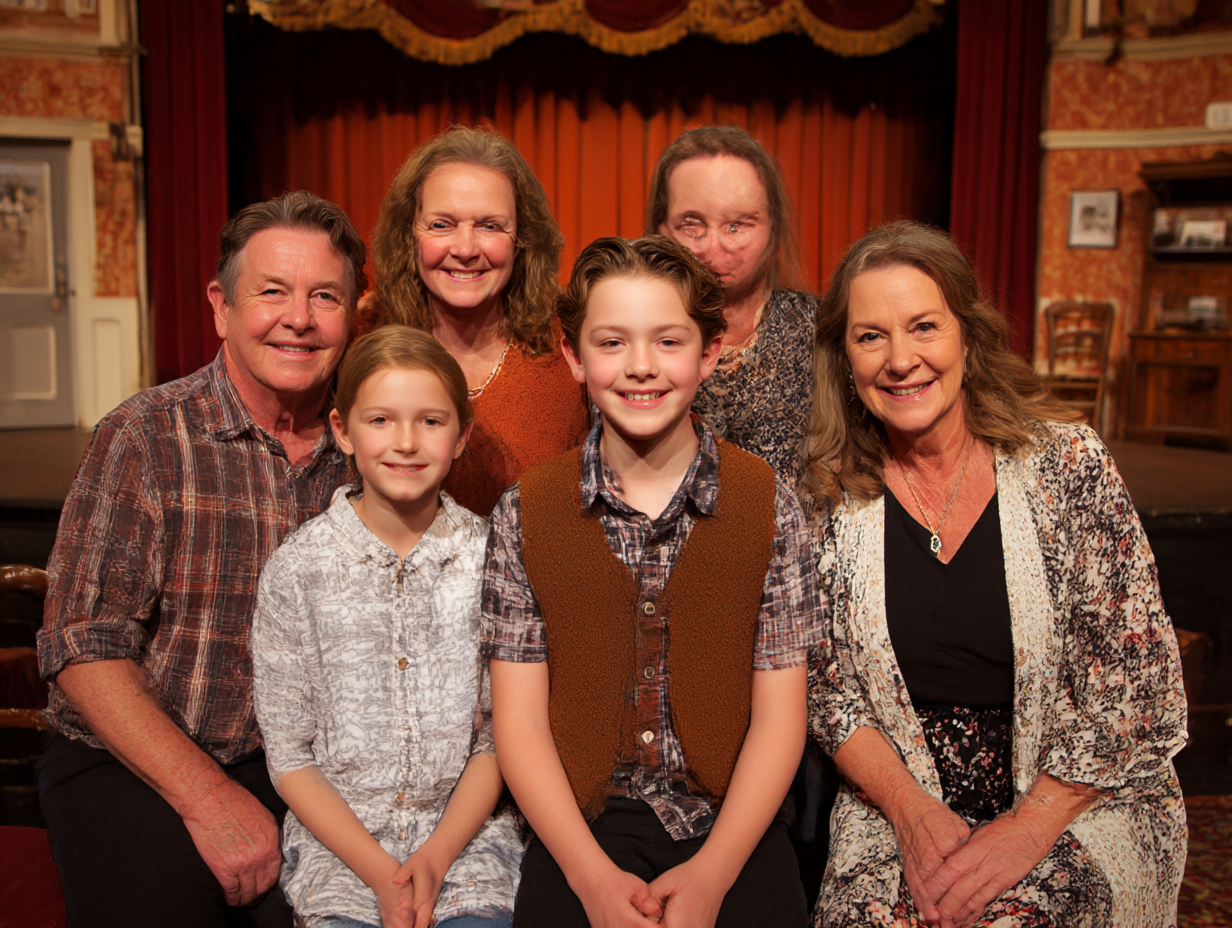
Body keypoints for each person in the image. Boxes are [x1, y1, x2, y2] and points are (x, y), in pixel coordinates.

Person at [802, 220, 1187, 927]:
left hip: (1079, 790)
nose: (900, 359)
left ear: (967, 337)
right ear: (844, 360)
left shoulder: (1069, 465)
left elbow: (1137, 689)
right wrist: (911, 813)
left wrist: (1028, 827)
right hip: (902, 795)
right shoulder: (828, 495)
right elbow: (827, 691)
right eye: (870, 336)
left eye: (923, 326)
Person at [34, 191, 365, 928]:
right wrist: (206, 797)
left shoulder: (375, 448)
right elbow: (83, 644)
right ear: (221, 306)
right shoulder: (144, 437)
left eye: (325, 296)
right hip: (138, 761)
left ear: (355, 313)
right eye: (271, 291)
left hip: (305, 775)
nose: (299, 318)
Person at [484, 235, 823, 928]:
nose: (641, 367)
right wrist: (590, 879)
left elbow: (781, 719)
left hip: (733, 822)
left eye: (669, 342)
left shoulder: (769, 504)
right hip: (582, 825)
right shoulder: (526, 511)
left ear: (710, 352)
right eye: (612, 343)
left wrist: (713, 875)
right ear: (575, 356)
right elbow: (517, 725)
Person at [252, 326, 522, 928]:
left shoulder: (494, 561)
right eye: (380, 421)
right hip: (341, 852)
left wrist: (438, 854)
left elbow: (496, 739)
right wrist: (379, 872)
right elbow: (291, 756)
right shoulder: (297, 572)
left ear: (462, 434)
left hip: (468, 845)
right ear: (342, 431)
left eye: (430, 421)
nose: (405, 442)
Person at [366, 125, 589, 516]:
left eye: (490, 226)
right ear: (409, 235)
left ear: (522, 238)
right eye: (441, 224)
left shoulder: (574, 337)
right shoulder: (363, 334)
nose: (466, 249)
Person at [647, 125, 816, 490]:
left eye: (737, 225)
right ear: (660, 228)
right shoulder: (624, 336)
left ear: (774, 227)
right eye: (691, 225)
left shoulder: (823, 331)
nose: (713, 246)